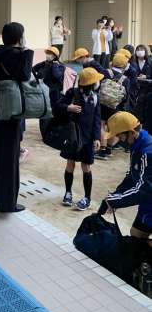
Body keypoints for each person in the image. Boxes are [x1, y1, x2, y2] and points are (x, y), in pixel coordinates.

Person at [0, 22, 33, 213]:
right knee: (10, 159)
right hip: (9, 114)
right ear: (19, 37)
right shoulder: (16, 55)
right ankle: (7, 203)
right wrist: (27, 52)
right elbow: (25, 75)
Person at [54, 68, 102, 211]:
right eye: (96, 81)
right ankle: (68, 192)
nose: (98, 83)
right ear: (90, 83)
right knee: (70, 163)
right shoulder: (72, 93)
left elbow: (97, 119)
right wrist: (68, 107)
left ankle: (87, 197)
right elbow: (58, 106)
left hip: (88, 138)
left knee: (86, 166)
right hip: (73, 136)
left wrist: (97, 138)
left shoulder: (95, 97)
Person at [98, 112, 152, 239]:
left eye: (119, 136)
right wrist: (115, 196)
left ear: (131, 132)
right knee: (136, 235)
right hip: (148, 203)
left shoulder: (147, 153)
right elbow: (132, 176)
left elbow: (143, 190)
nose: (118, 140)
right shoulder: (137, 145)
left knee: (138, 241)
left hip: (148, 197)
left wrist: (115, 201)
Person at [96, 52, 131, 160]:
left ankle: (102, 151)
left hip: (102, 104)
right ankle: (108, 149)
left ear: (113, 62)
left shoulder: (105, 72)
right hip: (116, 106)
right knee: (113, 128)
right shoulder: (125, 79)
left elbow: (97, 86)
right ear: (124, 65)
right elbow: (126, 96)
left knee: (102, 125)